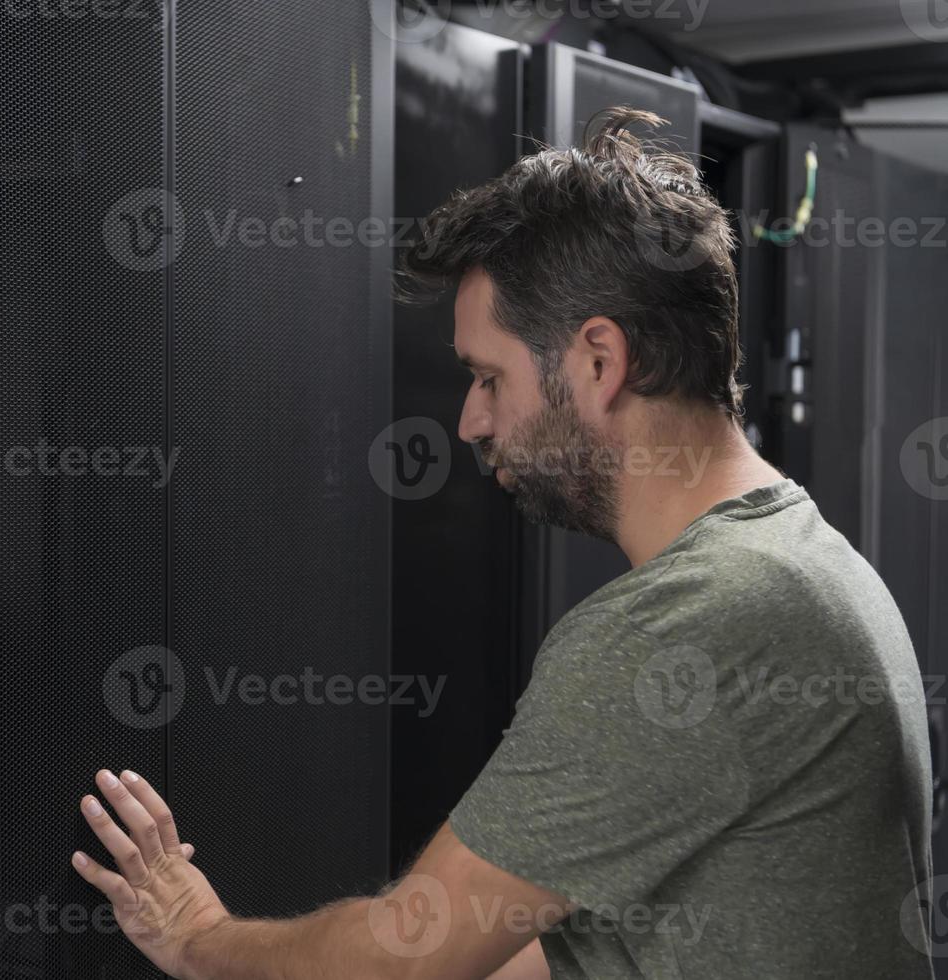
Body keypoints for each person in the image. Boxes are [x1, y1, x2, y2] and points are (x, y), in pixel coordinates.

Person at [69, 106, 935, 979]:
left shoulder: (686, 622)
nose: (471, 420)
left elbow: (403, 960)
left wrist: (200, 937)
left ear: (599, 361)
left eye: (490, 378)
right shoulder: (813, 561)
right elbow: (590, 951)